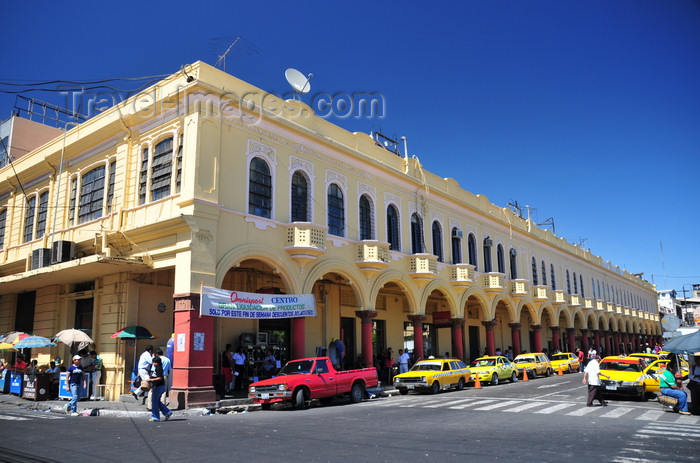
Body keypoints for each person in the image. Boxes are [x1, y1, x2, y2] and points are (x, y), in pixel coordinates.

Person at [148, 356, 173, 422]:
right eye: (153, 362)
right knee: (157, 402)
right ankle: (167, 412)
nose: (154, 364)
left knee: (154, 402)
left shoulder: (158, 368)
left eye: (155, 362)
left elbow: (160, 378)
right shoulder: (157, 368)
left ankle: (155, 417)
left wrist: (151, 380)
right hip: (159, 387)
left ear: (158, 362)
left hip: (158, 387)